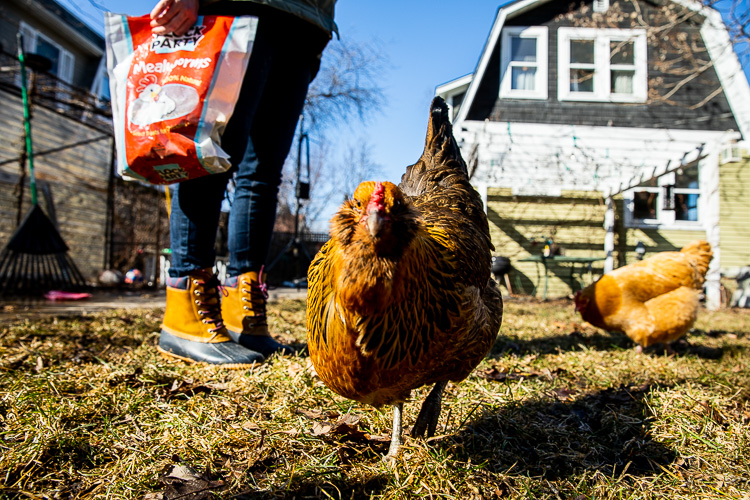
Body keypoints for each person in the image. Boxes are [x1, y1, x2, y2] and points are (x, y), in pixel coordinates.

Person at [151, 0, 336, 367]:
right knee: (211, 153)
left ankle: (244, 314)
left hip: (306, 22)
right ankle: (184, 310)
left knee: (264, 174)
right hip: (239, 7)